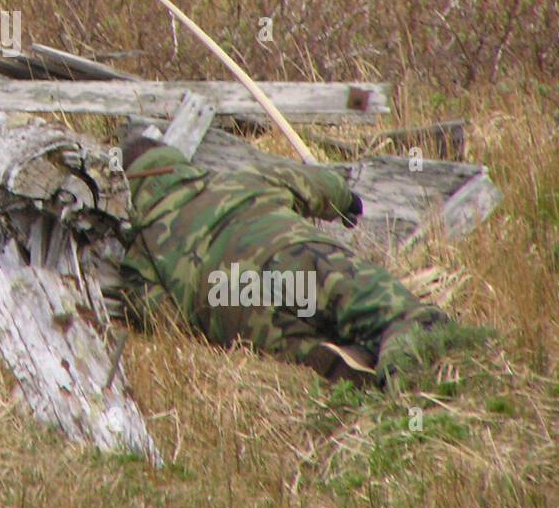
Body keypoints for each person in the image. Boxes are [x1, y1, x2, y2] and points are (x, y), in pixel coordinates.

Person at [117, 134, 451, 385]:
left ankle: (338, 359)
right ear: (180, 164)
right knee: (391, 313)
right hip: (294, 257)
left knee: (302, 350)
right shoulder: (241, 179)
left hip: (235, 303)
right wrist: (347, 202)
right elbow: (320, 184)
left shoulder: (142, 252)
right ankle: (410, 382)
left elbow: (163, 320)